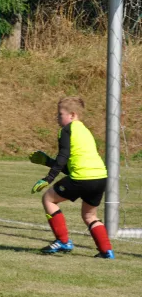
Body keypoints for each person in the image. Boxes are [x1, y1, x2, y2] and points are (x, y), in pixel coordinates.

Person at [29, 96, 114, 259]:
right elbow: (71, 166)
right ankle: (106, 251)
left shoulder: (66, 130)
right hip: (100, 177)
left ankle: (63, 241)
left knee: (49, 199)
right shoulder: (85, 130)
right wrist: (48, 161)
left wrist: (48, 178)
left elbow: (63, 156)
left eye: (60, 114)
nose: (57, 118)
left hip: (82, 177)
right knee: (90, 216)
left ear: (72, 115)